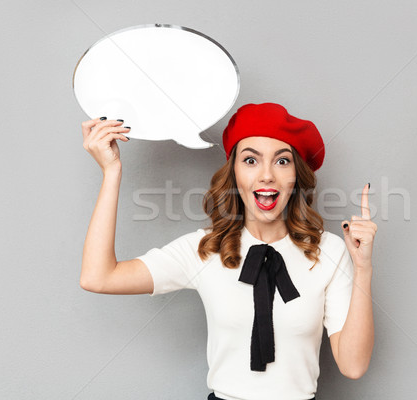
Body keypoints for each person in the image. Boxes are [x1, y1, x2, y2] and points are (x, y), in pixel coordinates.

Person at [79, 102, 376, 400]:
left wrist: (363, 266)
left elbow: (353, 366)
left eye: (282, 161)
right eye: (251, 160)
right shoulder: (205, 250)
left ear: (296, 176)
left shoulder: (329, 251)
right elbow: (98, 277)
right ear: (233, 172)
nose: (267, 175)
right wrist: (111, 171)